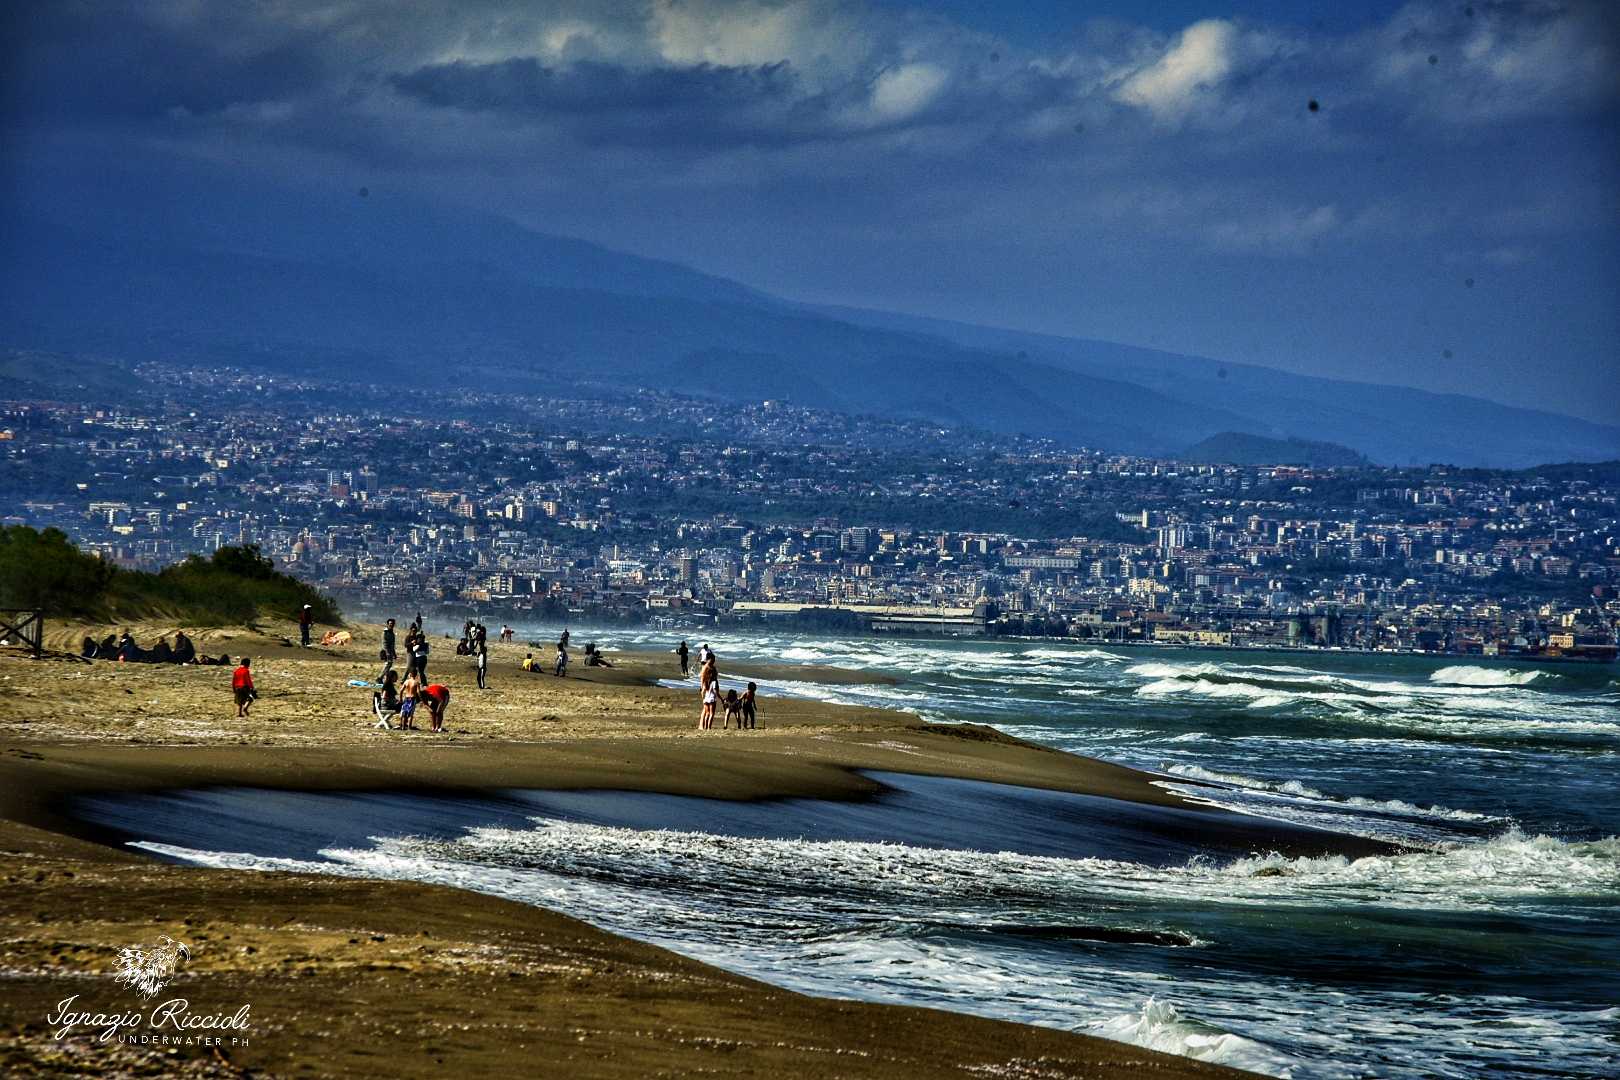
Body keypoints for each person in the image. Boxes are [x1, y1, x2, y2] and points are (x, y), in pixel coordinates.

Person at [699, 657, 718, 729]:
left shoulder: (712, 667)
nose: (713, 661)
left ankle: (704, 726)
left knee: (706, 711)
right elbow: (702, 678)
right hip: (707, 691)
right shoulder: (705, 668)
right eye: (712, 660)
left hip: (707, 691)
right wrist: (702, 688)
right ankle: (703, 726)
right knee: (707, 712)